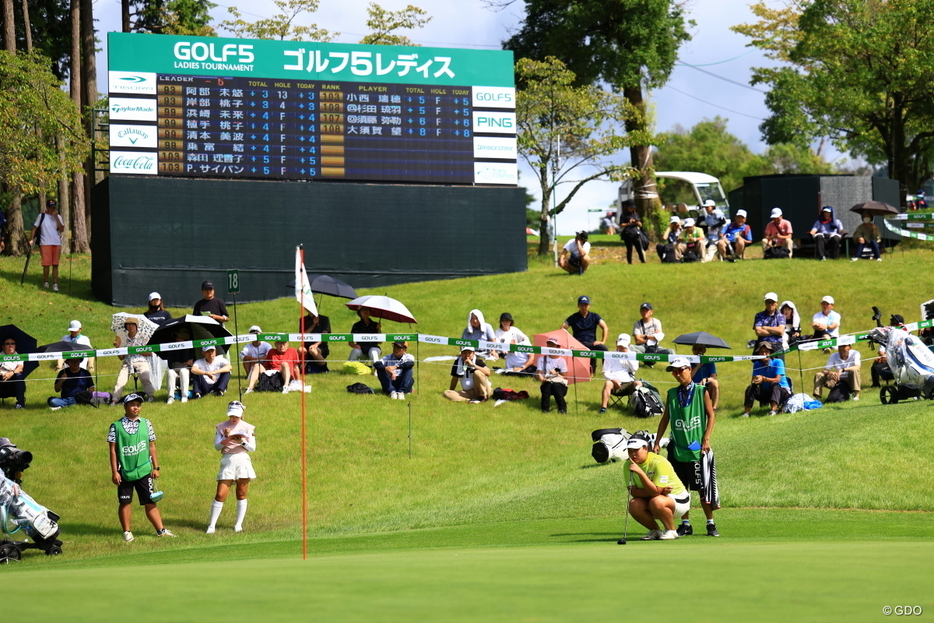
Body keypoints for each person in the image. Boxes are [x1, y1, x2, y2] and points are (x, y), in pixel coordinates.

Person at [655, 357, 720, 537]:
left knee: (701, 488)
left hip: (697, 449)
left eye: (680, 370)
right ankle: (685, 524)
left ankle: (710, 523)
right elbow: (665, 418)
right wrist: (657, 441)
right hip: (677, 450)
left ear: (689, 369)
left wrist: (706, 438)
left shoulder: (701, 391)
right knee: (680, 489)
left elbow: (711, 416)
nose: (677, 374)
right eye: (674, 372)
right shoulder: (672, 393)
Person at [107, 393, 175, 541]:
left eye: (138, 405)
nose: (135, 407)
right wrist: (114, 472)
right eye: (132, 404)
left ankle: (161, 530)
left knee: (150, 501)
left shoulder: (146, 423)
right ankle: (127, 532)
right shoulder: (116, 426)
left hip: (144, 470)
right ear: (125, 406)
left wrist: (156, 467)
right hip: (124, 471)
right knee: (125, 501)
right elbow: (112, 450)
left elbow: (152, 446)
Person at [622, 431, 691, 541]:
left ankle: (672, 531)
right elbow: (633, 492)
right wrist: (658, 491)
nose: (633, 454)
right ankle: (656, 531)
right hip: (656, 498)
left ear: (645, 448)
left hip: (679, 499)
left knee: (657, 501)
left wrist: (640, 473)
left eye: (636, 450)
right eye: (630, 451)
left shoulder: (659, 462)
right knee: (634, 504)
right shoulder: (628, 465)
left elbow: (654, 493)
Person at [206, 401, 256, 534]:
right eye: (231, 416)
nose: (233, 419)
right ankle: (211, 526)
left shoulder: (248, 427)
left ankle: (238, 525)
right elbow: (217, 447)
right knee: (220, 494)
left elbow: (252, 448)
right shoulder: (222, 427)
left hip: (242, 460)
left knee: (241, 493)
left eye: (236, 416)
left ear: (241, 415)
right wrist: (226, 438)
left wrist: (242, 441)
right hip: (227, 460)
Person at [110, 317, 156, 405]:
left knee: (145, 378)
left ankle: (151, 396)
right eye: (128, 324)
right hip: (127, 363)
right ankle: (114, 400)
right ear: (126, 327)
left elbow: (150, 353)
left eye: (133, 324)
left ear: (136, 326)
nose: (131, 326)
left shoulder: (143, 336)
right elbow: (121, 357)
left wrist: (136, 350)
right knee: (120, 381)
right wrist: (118, 348)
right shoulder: (122, 338)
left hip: (141, 361)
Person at [741, 341, 792, 417]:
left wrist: (764, 379)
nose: (764, 354)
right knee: (751, 387)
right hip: (767, 392)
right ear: (758, 354)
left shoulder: (778, 362)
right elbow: (753, 381)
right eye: (761, 352)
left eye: (766, 352)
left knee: (774, 384)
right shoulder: (757, 364)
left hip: (782, 392)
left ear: (770, 353)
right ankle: (746, 413)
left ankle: (773, 411)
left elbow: (777, 380)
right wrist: (756, 380)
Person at [560, 295, 609, 373]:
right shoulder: (573, 317)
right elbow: (562, 329)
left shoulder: (594, 316)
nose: (584, 307)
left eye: (585, 305)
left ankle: (606, 371)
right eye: (582, 305)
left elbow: (605, 327)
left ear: (589, 306)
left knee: (604, 349)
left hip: (591, 342)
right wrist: (569, 341)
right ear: (578, 305)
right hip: (578, 343)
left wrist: (602, 341)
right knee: (588, 349)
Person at [598, 333, 640, 414]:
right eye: (619, 345)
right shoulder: (610, 355)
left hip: (628, 382)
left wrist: (627, 355)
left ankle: (638, 407)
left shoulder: (633, 355)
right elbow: (605, 372)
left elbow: (635, 368)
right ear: (616, 343)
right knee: (608, 383)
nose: (621, 348)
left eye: (623, 346)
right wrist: (613, 380)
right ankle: (603, 408)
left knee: (638, 383)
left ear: (629, 345)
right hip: (614, 384)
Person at [29, 199, 65, 291]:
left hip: (56, 242)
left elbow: (61, 229)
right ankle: (46, 282)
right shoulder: (41, 216)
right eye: (50, 207)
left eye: (53, 207)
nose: (52, 209)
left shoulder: (58, 217)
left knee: (55, 264)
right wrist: (31, 239)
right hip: (45, 242)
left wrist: (56, 217)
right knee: (46, 264)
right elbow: (34, 228)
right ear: (47, 207)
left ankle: (55, 283)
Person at [536, 336, 569, 413]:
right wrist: (542, 379)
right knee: (547, 385)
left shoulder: (562, 361)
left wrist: (556, 374)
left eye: (552, 345)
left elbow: (565, 377)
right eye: (549, 345)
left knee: (556, 385)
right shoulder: (541, 359)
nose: (550, 347)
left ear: (558, 347)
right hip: (547, 383)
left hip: (560, 386)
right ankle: (544, 409)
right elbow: (539, 373)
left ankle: (562, 409)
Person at [164, 330, 194, 405]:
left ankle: (184, 396)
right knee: (170, 372)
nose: (178, 338)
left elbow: (191, 362)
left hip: (187, 374)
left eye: (180, 337)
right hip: (175, 371)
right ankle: (170, 397)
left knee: (183, 371)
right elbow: (170, 364)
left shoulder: (190, 347)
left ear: (185, 338)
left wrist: (184, 360)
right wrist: (184, 362)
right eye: (177, 337)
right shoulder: (171, 347)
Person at [241, 326, 272, 394]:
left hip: (264, 367)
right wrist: (254, 360)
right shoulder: (247, 346)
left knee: (256, 364)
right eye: (253, 334)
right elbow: (243, 356)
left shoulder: (266, 345)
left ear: (260, 334)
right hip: (253, 365)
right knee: (246, 361)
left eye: (256, 333)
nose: (255, 335)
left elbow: (269, 355)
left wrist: (256, 360)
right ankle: (249, 376)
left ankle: (250, 386)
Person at [690, 344, 719, 410]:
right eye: (695, 349)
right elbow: (688, 378)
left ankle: (713, 408)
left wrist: (705, 379)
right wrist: (697, 367)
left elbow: (713, 377)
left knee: (715, 383)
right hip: (693, 385)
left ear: (704, 350)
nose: (697, 351)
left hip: (706, 384)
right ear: (692, 350)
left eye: (700, 349)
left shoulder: (709, 361)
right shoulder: (689, 361)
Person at [0, 337, 26, 409]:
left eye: (12, 343)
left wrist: (11, 373)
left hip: (13, 382)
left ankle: (20, 404)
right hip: (1, 381)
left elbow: (20, 368)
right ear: (3, 346)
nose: (10, 345)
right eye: (7, 344)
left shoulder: (19, 356)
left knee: (19, 375)